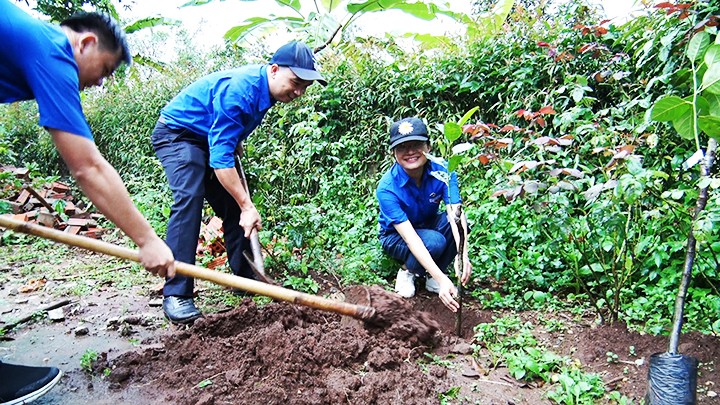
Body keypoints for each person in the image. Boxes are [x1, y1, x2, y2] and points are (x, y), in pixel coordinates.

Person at [0, 1, 176, 403]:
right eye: (106, 70)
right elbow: (89, 169)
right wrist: (148, 239)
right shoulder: (51, 51)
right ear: (87, 43)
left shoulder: (25, 43)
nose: (100, 83)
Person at [152, 41, 326, 324]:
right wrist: (247, 204)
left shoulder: (265, 91)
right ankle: (177, 293)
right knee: (190, 198)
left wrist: (235, 142)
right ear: (273, 70)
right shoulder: (241, 91)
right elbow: (221, 159)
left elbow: (224, 133)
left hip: (207, 138)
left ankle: (245, 279)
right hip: (179, 134)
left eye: (305, 86)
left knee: (235, 206)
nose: (299, 92)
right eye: (295, 82)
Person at [376, 117, 472, 312]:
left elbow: (455, 213)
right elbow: (410, 238)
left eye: (416, 145)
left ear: (428, 146)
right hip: (396, 237)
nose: (410, 152)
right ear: (394, 153)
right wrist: (443, 279)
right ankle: (408, 271)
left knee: (461, 224)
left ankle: (431, 275)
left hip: (428, 224)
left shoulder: (444, 170)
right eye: (402, 147)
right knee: (434, 242)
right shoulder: (387, 187)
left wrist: (463, 255)